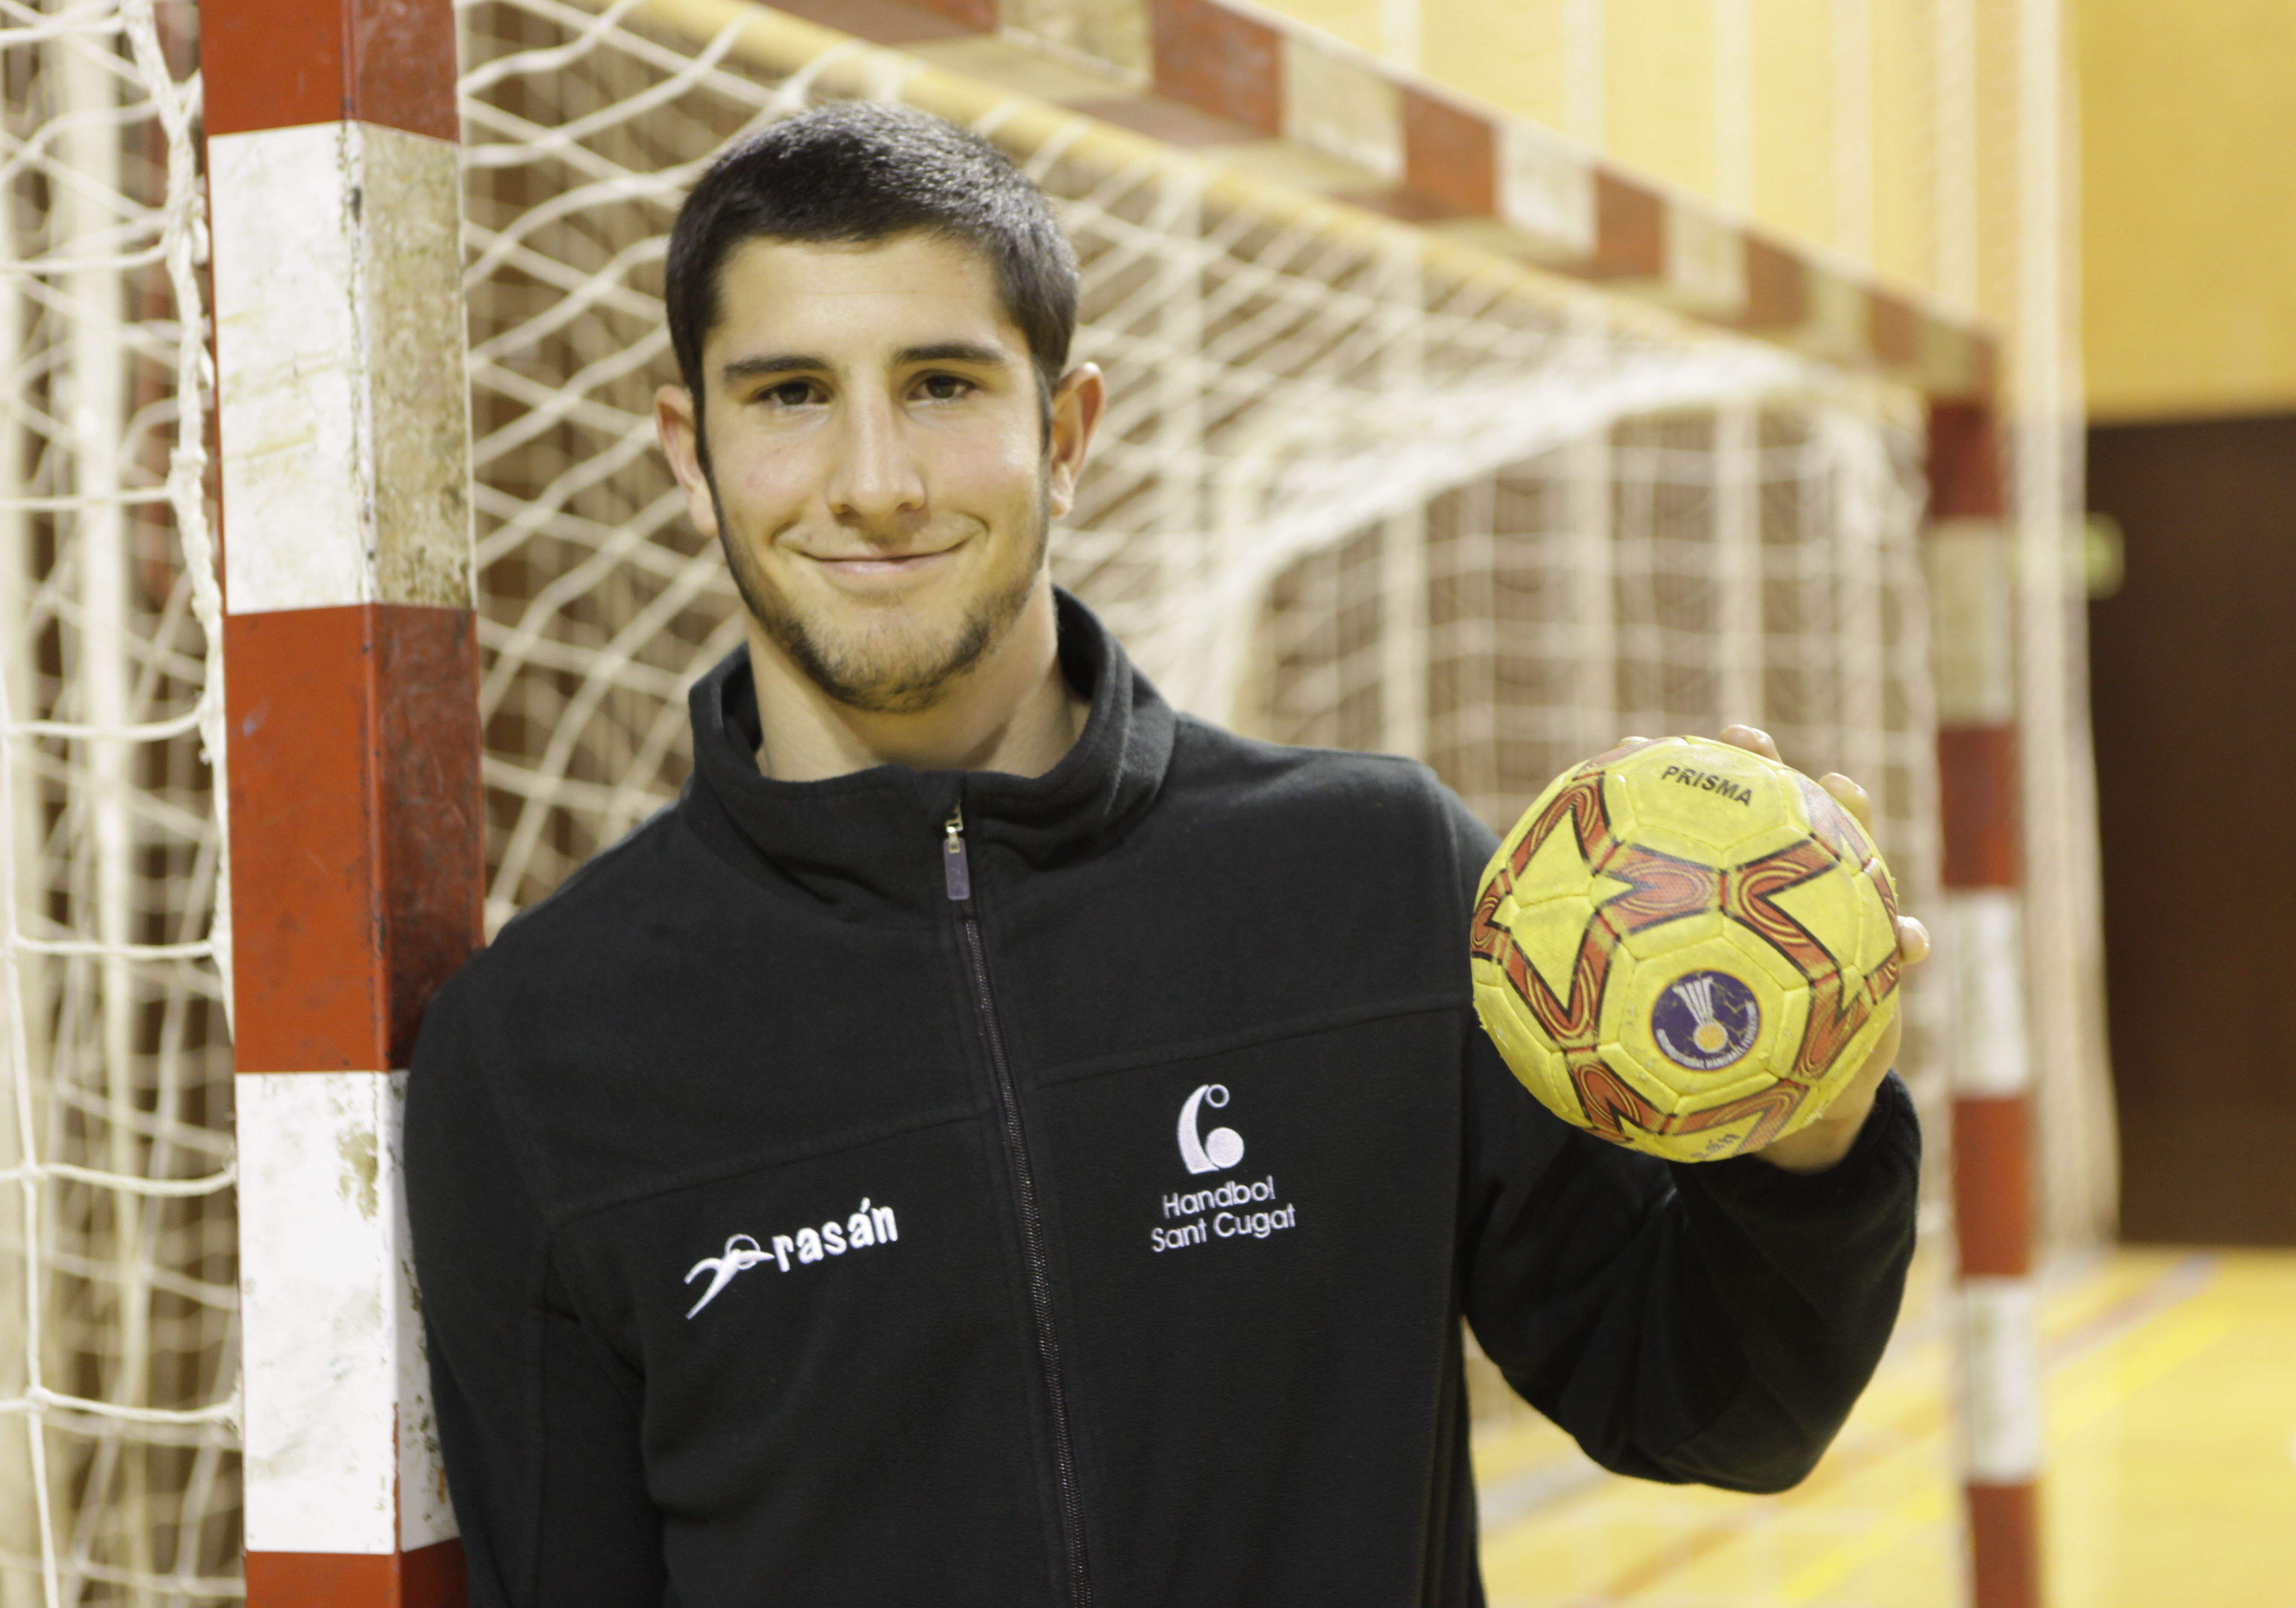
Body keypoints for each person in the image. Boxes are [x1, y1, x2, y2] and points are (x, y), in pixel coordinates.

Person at [405, 101, 1928, 1606]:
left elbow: (1715, 1411)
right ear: (692, 452)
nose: (873, 478)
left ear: (1066, 436)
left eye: (942, 385)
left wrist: (1810, 1143)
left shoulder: (1378, 883)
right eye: (792, 393)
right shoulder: (543, 1050)